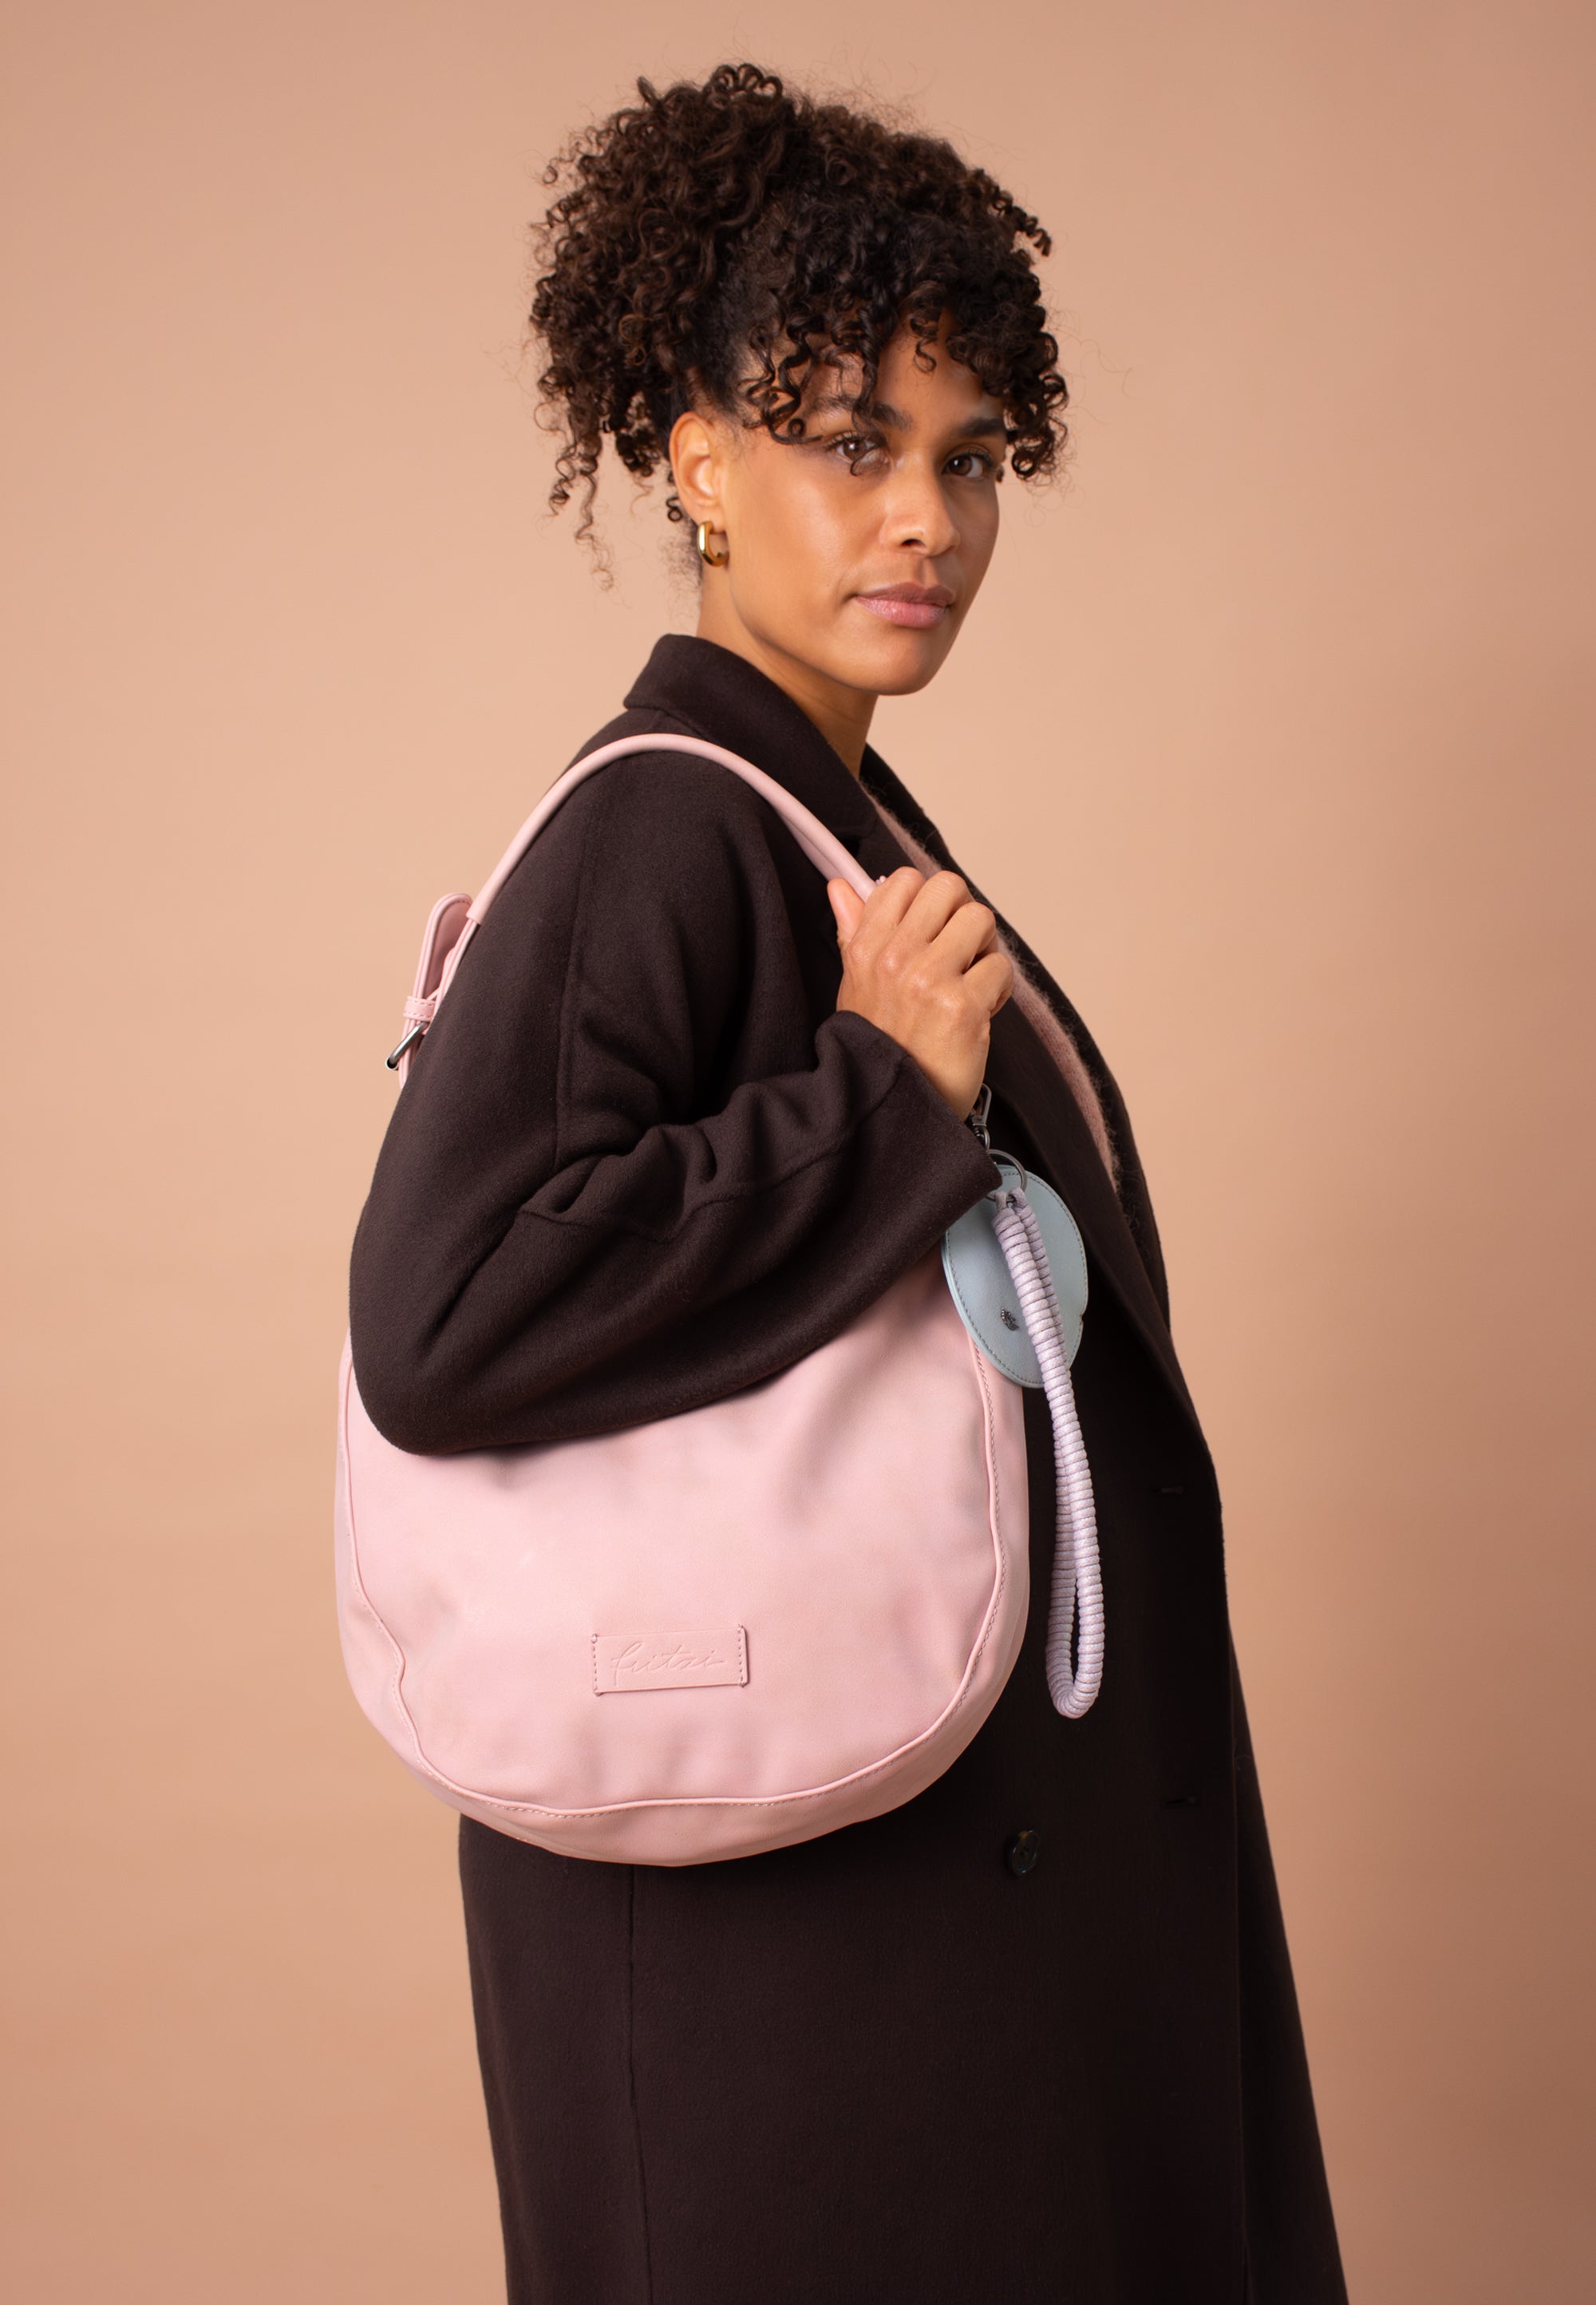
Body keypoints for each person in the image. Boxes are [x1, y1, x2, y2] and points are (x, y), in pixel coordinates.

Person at [349, 61, 1347, 2305]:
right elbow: (446, 1318)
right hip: (804, 1950)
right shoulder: (664, 826)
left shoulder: (832, 817)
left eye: (969, 458)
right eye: (850, 442)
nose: (929, 521)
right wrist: (879, 1098)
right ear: (696, 460)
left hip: (936, 1899)